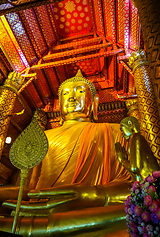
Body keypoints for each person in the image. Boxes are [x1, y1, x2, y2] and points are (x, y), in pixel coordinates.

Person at [0, 70, 131, 236]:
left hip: (95, 213)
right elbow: (28, 190)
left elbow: (136, 187)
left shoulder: (114, 131)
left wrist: (95, 195)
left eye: (80, 91)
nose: (72, 97)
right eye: (66, 93)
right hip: (42, 212)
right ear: (59, 104)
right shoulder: (43, 137)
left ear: (94, 102)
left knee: (134, 215)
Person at [115, 116, 160, 182]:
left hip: (151, 184)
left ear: (130, 124)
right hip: (144, 185)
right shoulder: (133, 139)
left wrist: (122, 160)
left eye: (122, 130)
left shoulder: (136, 137)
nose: (122, 135)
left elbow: (134, 168)